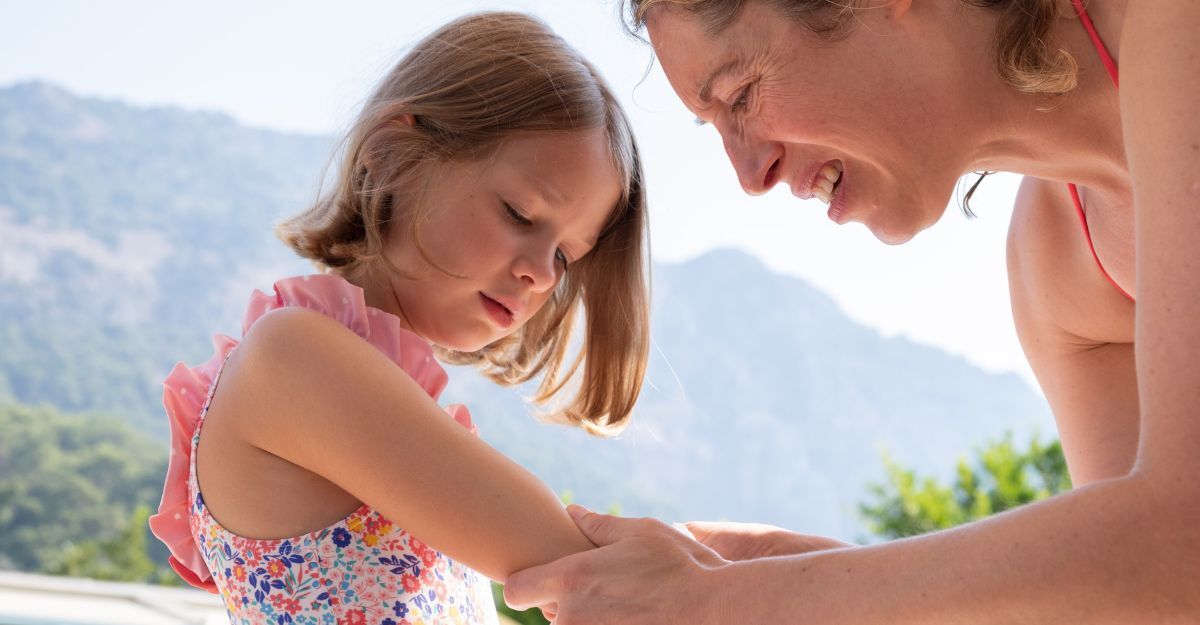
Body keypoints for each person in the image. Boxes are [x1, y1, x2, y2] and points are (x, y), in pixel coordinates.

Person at [502, 0, 1199, 622]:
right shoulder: (1058, 262)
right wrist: (813, 579)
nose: (748, 177)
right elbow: (1145, 600)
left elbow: (1180, 546)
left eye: (740, 94)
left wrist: (730, 603)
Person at [147, 11, 649, 625]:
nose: (542, 274)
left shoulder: (366, 390)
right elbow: (592, 575)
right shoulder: (295, 354)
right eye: (520, 214)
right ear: (391, 155)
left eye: (567, 257)